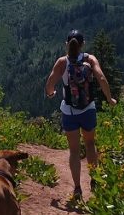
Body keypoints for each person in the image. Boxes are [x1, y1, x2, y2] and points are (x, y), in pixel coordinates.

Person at [44, 29, 117, 202]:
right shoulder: (89, 59)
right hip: (88, 109)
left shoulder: (62, 62)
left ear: (66, 44)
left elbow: (50, 83)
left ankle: (77, 188)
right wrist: (109, 98)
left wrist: (50, 93)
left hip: (69, 111)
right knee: (90, 144)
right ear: (83, 44)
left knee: (74, 150)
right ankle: (95, 180)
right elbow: (101, 77)